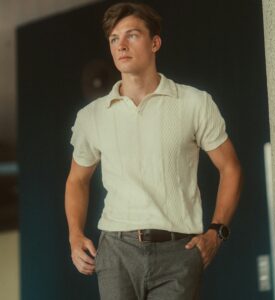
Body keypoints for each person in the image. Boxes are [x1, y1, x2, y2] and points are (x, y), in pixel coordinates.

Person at [65, 2, 242, 299]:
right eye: (113, 39)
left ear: (155, 43)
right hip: (116, 252)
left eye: (132, 35)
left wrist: (217, 232)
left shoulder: (194, 103)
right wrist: (74, 234)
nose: (121, 45)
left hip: (179, 252)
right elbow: (77, 180)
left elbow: (231, 168)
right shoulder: (91, 116)